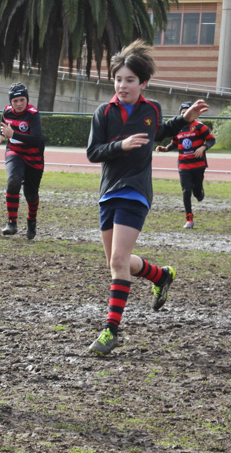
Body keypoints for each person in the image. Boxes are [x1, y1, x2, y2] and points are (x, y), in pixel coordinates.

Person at [86, 40, 209, 356]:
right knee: (119, 262)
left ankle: (110, 332)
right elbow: (92, 152)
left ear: (143, 83)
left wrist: (186, 119)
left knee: (117, 261)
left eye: (129, 80)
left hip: (136, 192)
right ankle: (162, 275)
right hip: (108, 192)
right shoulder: (104, 112)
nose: (122, 85)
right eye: (118, 79)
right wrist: (120, 146)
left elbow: (159, 130)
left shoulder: (151, 108)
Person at [0, 82, 44, 240]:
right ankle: (11, 223)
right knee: (13, 181)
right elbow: (3, 123)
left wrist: (12, 134)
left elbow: (37, 140)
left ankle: (31, 221)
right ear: (10, 102)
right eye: (15, 101)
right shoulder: (7, 111)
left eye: (22, 100)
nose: (19, 104)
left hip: (34, 157)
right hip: (14, 152)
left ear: (27, 99)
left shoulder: (33, 114)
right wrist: (1, 136)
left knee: (31, 195)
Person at [155, 101, 215, 229]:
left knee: (197, 193)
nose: (186, 114)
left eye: (189, 111)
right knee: (186, 191)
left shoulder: (199, 126)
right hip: (183, 165)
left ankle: (199, 192)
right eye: (183, 113)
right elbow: (175, 143)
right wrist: (166, 148)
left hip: (198, 165)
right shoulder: (178, 128)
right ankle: (189, 219)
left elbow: (211, 139)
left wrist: (204, 147)